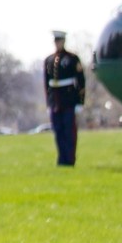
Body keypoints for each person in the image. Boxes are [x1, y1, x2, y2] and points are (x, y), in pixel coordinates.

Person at [42, 31, 87, 167]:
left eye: (59, 41)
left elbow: (80, 81)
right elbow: (47, 83)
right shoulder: (49, 60)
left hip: (69, 99)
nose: (57, 43)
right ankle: (61, 158)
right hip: (55, 100)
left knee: (69, 131)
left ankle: (70, 158)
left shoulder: (72, 59)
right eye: (56, 41)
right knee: (58, 130)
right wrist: (48, 103)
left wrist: (80, 102)